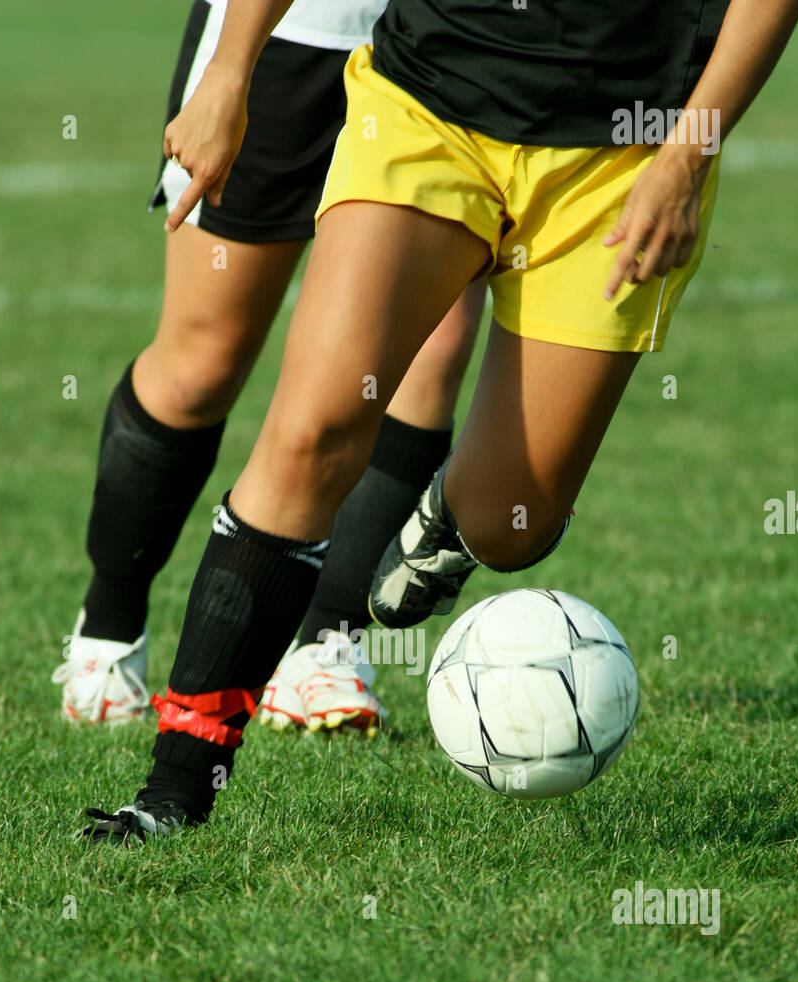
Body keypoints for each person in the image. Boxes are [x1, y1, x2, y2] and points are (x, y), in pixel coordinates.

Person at [78, 0, 798, 844]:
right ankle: (173, 789)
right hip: (429, 102)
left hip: (623, 150)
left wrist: (688, 154)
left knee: (511, 525)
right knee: (312, 428)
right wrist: (232, 68)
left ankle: (452, 519)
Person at [51, 0, 486, 736]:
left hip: (445, 51)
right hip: (293, 37)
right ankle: (109, 628)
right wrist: (229, 69)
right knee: (203, 361)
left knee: (428, 353)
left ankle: (324, 647)